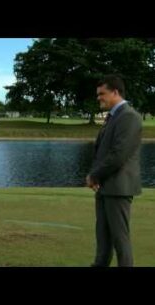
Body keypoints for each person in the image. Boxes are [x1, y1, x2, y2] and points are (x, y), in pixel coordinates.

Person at [86, 75, 142, 267]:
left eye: (102, 93)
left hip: (118, 188)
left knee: (120, 240)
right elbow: (103, 151)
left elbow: (118, 155)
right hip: (105, 187)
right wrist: (96, 176)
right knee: (103, 240)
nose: (98, 97)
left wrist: (94, 175)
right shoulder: (113, 117)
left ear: (115, 92)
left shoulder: (129, 116)